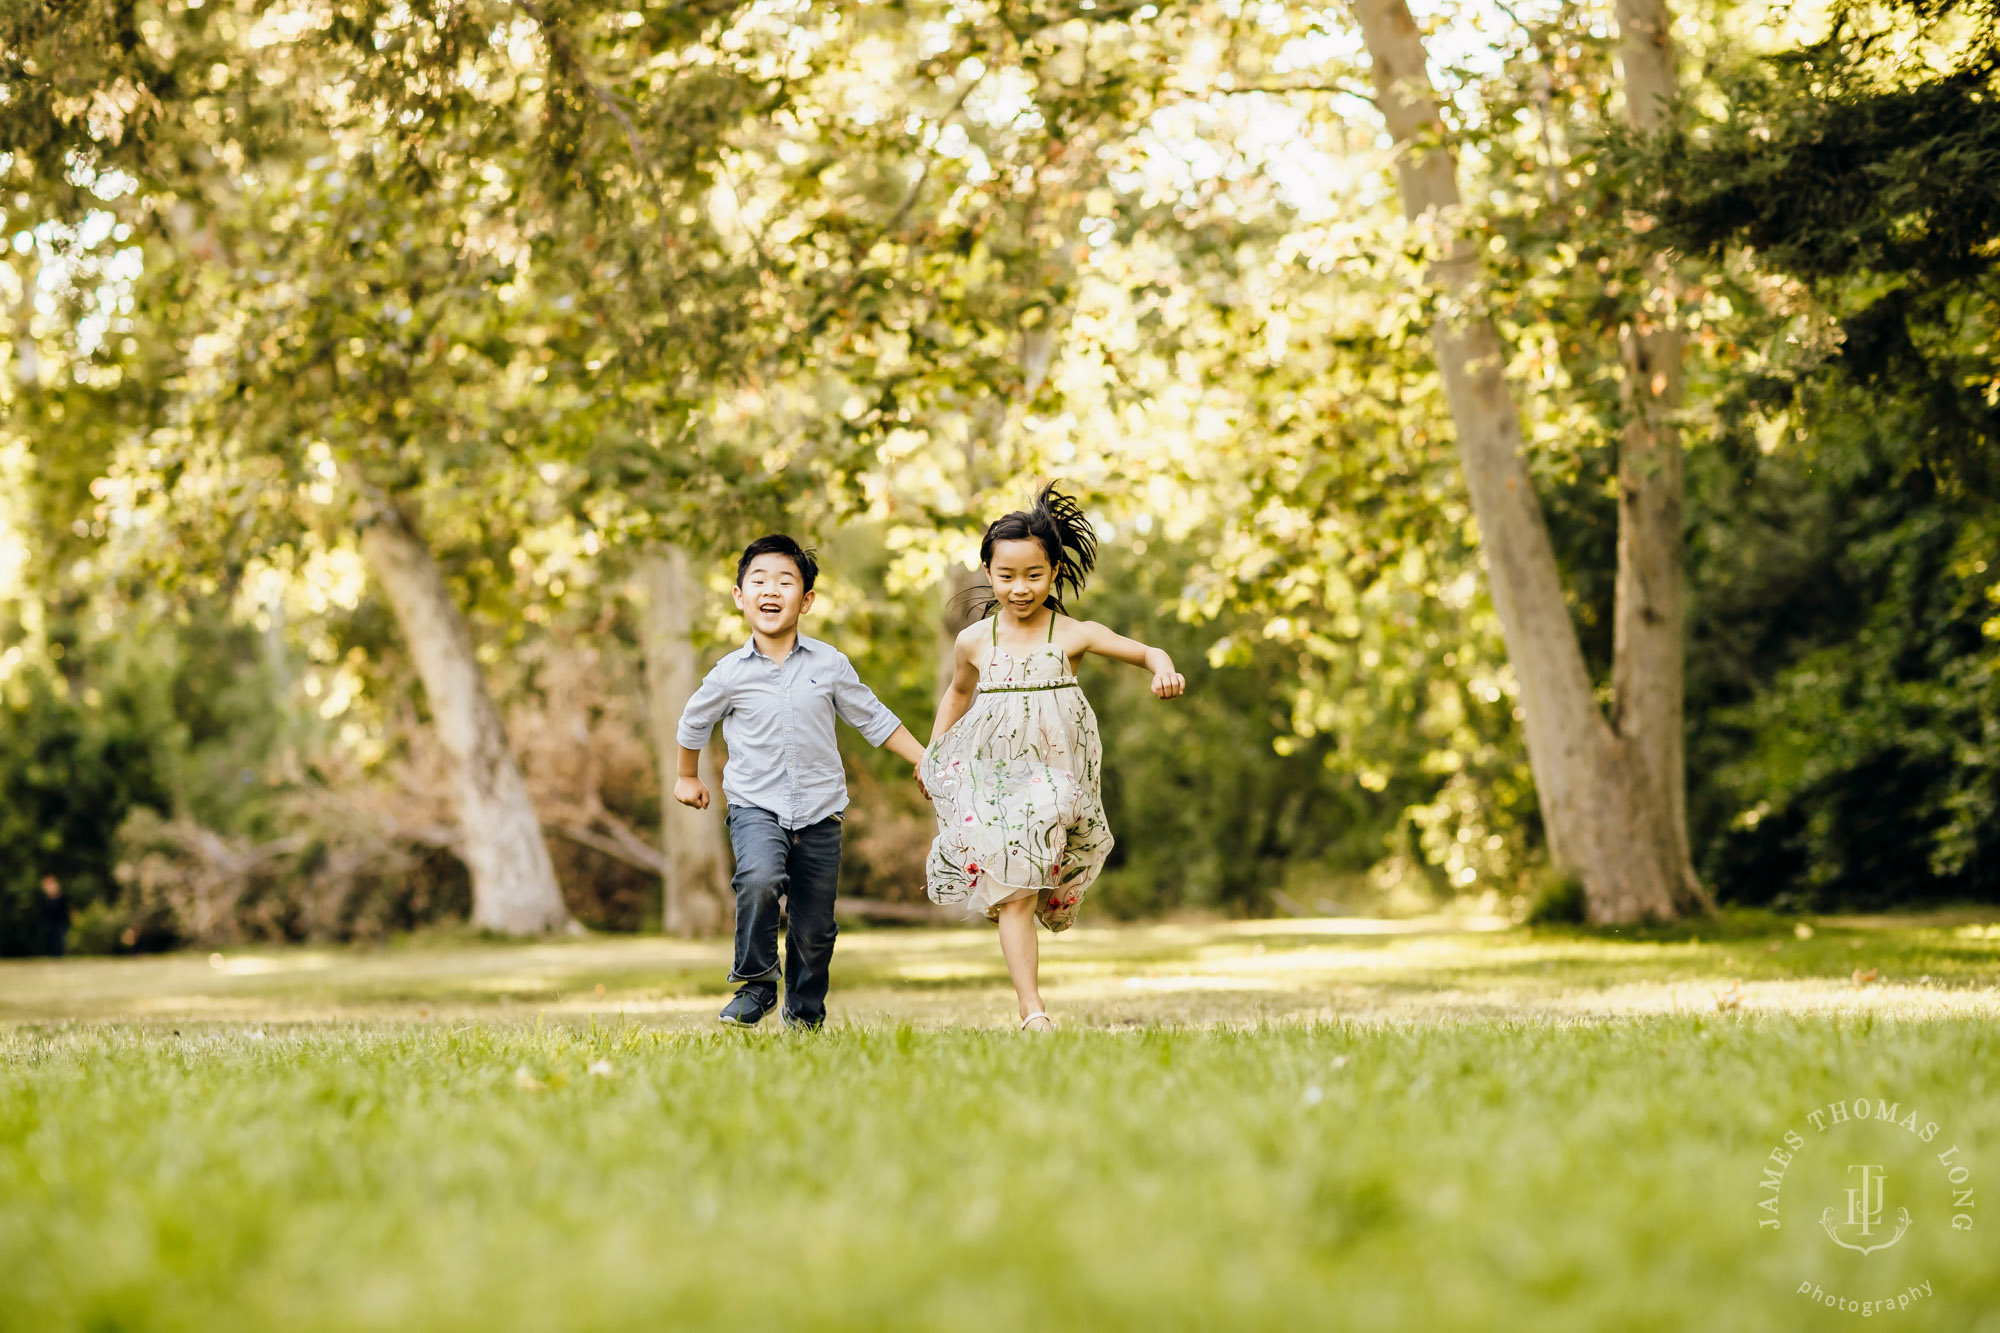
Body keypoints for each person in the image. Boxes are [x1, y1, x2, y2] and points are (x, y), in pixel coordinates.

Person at [923, 484, 1185, 1031]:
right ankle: (1032, 1010)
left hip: (1054, 778)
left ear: (1054, 571)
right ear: (989, 574)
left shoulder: (1072, 634)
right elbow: (957, 694)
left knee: (1035, 873)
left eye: (1034, 575)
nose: (1020, 588)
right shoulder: (974, 641)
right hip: (991, 776)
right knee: (1012, 888)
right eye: (1006, 576)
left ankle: (1050, 893)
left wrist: (1163, 669)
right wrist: (934, 754)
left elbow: (1145, 651)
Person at [675, 534, 927, 1030]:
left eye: (786, 581)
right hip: (755, 806)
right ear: (740, 596)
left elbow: (873, 719)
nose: (772, 590)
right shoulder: (729, 674)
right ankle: (757, 983)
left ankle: (804, 1015)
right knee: (759, 879)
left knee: (815, 929)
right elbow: (693, 723)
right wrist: (687, 775)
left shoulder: (829, 664)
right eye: (759, 580)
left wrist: (923, 759)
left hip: (820, 812)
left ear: (806, 600)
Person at [37, 875, 71, 958]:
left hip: (60, 923)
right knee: (49, 941)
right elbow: (43, 913)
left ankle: (59, 957)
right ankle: (50, 956)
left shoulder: (62, 897)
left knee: (59, 941)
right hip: (49, 924)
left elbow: (65, 911)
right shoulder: (44, 899)